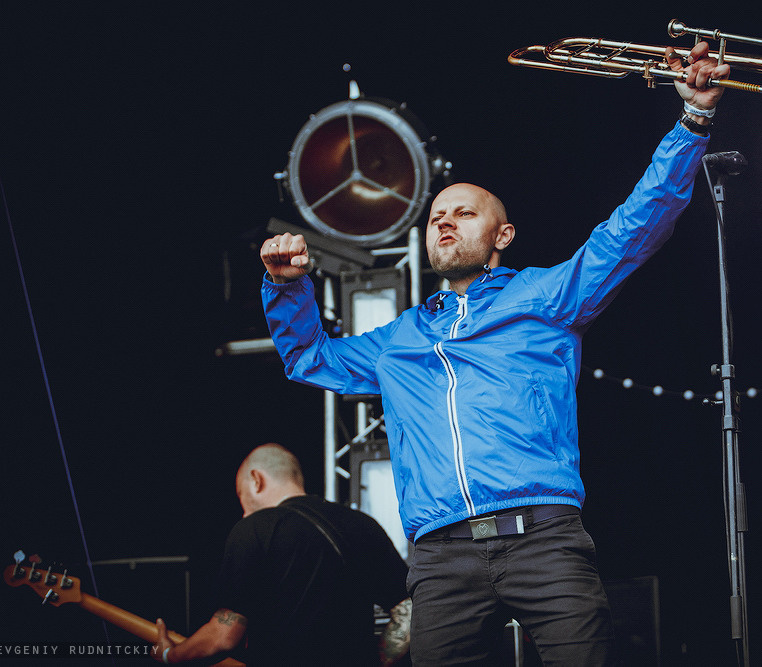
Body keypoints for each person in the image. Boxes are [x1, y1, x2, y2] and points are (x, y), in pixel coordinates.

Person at [260, 42, 729, 665]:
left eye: (464, 213)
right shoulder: (400, 340)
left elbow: (635, 224)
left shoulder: (545, 295)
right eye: (436, 218)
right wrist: (288, 286)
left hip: (544, 539)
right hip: (440, 557)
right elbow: (307, 358)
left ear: (501, 235)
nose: (446, 222)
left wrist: (692, 121)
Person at [151, 443, 411, 665]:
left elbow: (223, 637)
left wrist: (169, 655)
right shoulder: (362, 524)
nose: (243, 510)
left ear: (256, 479)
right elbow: (410, 614)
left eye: (241, 494)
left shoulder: (253, 528)